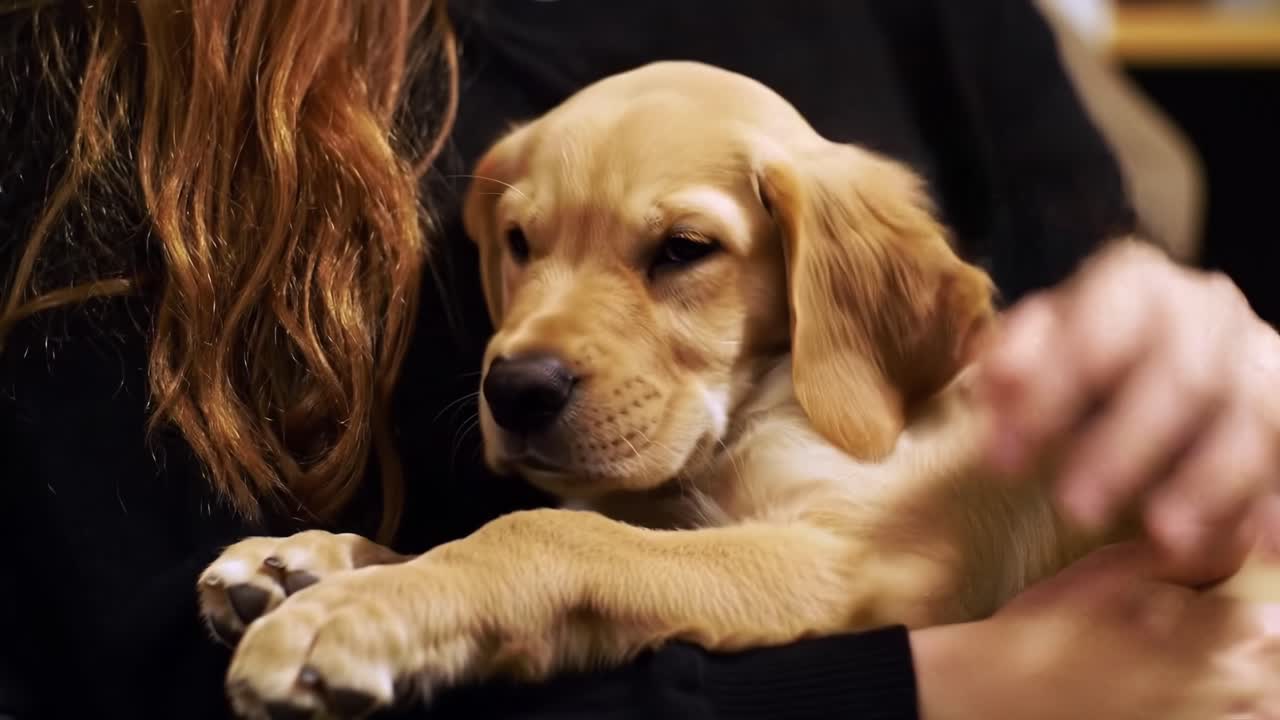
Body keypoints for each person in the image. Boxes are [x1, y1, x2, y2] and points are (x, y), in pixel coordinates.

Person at [1, 1, 1277, 718]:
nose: (526, 346)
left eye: (676, 251)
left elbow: (845, 556)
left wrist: (1204, 355)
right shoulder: (97, 65)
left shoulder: (890, 147)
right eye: (516, 248)